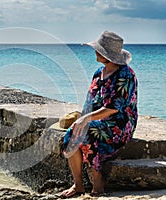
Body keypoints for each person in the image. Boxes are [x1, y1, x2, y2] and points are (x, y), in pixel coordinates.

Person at [60, 31, 138, 198]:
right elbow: (90, 103)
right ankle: (78, 185)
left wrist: (85, 120)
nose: (95, 52)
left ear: (107, 55)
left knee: (88, 132)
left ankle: (98, 181)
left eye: (99, 50)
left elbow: (113, 108)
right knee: (72, 134)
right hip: (98, 120)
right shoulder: (98, 73)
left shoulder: (126, 74)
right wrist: (81, 119)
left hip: (119, 124)